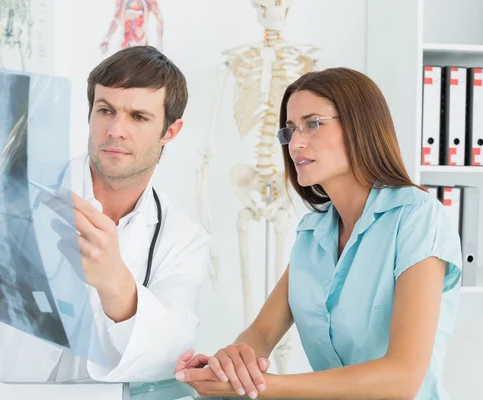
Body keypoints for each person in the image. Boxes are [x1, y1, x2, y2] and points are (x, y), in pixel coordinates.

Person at [0, 46, 210, 400]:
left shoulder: (182, 239)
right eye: (105, 110)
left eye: (138, 116)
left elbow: (171, 360)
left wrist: (116, 284)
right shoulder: (9, 191)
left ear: (171, 131)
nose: (116, 130)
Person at [174, 67, 462, 399]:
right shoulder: (312, 233)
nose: (295, 143)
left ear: (359, 124)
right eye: (290, 130)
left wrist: (261, 386)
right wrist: (228, 365)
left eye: (313, 124)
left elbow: (403, 378)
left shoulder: (418, 218)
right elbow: (260, 333)